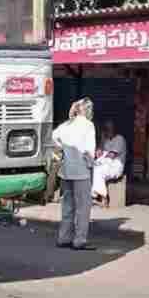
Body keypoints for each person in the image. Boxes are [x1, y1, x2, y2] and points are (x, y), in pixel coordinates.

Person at [51, 98, 96, 250]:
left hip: (66, 172)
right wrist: (90, 166)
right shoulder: (89, 125)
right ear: (87, 110)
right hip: (81, 172)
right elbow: (90, 151)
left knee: (68, 206)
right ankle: (79, 241)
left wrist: (61, 150)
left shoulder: (66, 124)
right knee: (83, 208)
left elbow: (52, 137)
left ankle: (63, 238)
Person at [91, 120, 127, 204]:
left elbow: (112, 155)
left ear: (114, 129)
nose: (108, 130)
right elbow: (99, 153)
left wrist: (102, 153)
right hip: (106, 164)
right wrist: (100, 147)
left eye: (110, 128)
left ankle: (103, 197)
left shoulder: (120, 139)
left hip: (116, 166)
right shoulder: (106, 140)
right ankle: (95, 195)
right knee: (92, 169)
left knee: (98, 171)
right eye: (106, 129)